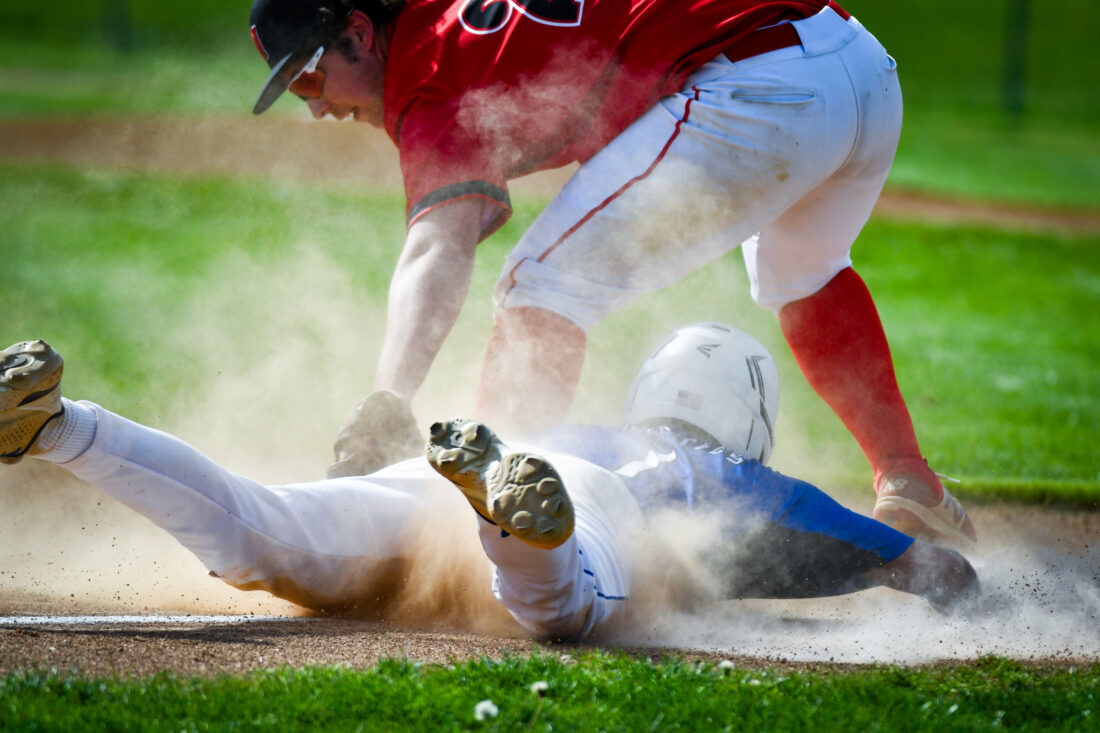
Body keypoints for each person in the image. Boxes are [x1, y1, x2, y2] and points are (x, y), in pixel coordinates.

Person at [247, 0, 977, 547]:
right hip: (858, 64)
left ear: (361, 30)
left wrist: (390, 395)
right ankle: (909, 480)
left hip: (761, 85)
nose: (315, 107)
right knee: (804, 272)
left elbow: (440, 245)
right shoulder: (451, 17)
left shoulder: (425, 77)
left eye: (310, 76)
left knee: (539, 288)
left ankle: (497, 535)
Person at [0, 327, 978, 641]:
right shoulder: (716, 468)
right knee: (565, 611)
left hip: (473, 464)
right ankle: (519, 526)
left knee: (264, 532)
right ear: (744, 417)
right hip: (578, 496)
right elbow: (865, 542)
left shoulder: (592, 420)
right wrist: (940, 570)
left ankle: (58, 424)